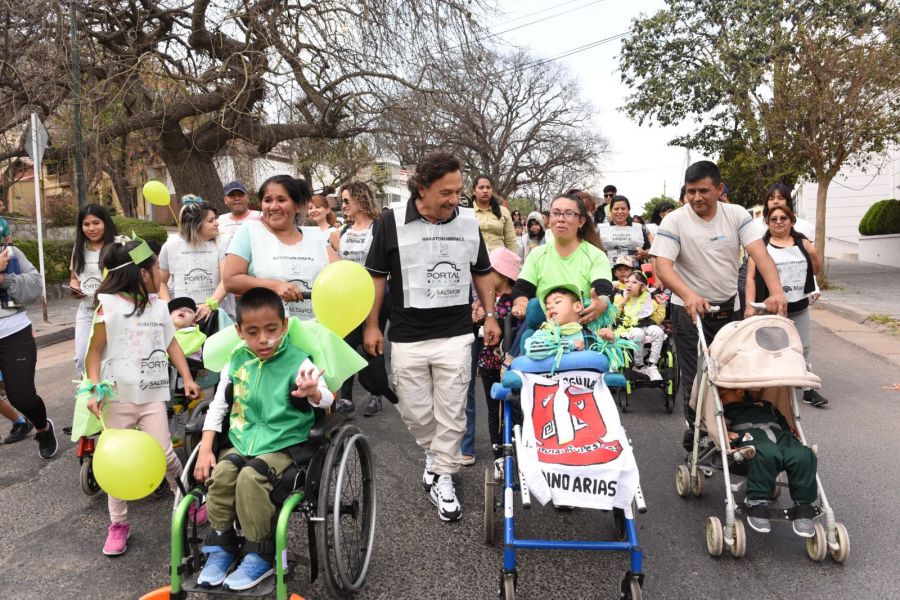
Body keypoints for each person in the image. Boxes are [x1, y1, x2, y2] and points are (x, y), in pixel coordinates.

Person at [363, 151, 499, 522]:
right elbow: (375, 277)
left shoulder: (468, 223)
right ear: (421, 189)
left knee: (453, 410)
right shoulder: (390, 222)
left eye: (458, 191)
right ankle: (436, 456)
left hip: (455, 333)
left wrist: (489, 316)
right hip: (407, 336)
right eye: (446, 193)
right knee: (416, 411)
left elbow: (483, 271)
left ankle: (443, 476)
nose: (455, 200)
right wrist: (372, 324)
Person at [191, 287, 333, 590]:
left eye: (271, 330)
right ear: (239, 331)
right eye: (253, 332)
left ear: (283, 326)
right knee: (225, 473)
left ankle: (260, 553)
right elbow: (218, 406)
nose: (263, 339)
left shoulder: (297, 361)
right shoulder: (236, 362)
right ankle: (222, 545)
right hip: (243, 440)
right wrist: (205, 449)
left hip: (285, 443)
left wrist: (314, 393)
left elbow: (327, 397)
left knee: (251, 478)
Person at [650, 160, 788, 446]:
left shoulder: (736, 215)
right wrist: (688, 294)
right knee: (695, 377)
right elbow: (663, 266)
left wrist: (776, 291)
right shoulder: (674, 220)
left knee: (730, 374)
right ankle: (696, 434)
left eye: (703, 191)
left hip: (729, 309)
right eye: (691, 192)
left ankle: (731, 428)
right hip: (688, 310)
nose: (697, 198)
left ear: (719, 189)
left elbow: (760, 255)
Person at [83, 238, 200, 556]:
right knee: (114, 462)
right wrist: (93, 389)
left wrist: (187, 377)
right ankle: (118, 523)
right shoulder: (107, 306)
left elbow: (171, 343)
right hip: (117, 398)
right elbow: (93, 353)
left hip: (151, 396)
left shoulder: (160, 306)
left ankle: (187, 499)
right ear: (140, 273)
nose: (160, 273)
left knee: (164, 453)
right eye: (155, 267)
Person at [462, 174, 518, 464]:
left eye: (488, 187)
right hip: (468, 276)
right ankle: (467, 444)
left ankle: (510, 442)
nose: (484, 190)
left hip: (497, 274)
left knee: (503, 397)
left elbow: (511, 244)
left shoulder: (503, 213)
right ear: (474, 191)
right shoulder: (465, 213)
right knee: (465, 380)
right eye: (479, 187)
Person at [223, 175, 336, 321]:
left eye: (281, 200)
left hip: (312, 330)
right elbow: (230, 280)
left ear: (297, 206)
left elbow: (343, 275)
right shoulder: (250, 232)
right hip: (266, 332)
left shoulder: (314, 237)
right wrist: (275, 286)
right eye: (268, 200)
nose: (274, 206)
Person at [745, 205, 826, 407]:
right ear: (767, 223)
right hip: (769, 308)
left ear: (791, 221)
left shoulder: (802, 243)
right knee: (769, 350)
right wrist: (749, 306)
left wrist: (813, 253)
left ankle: (808, 390)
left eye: (783, 218)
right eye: (774, 219)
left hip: (798, 305)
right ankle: (767, 392)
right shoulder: (761, 247)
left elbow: (815, 270)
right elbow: (751, 278)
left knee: (803, 347)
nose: (779, 222)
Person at [329, 181, 397, 416]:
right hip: (349, 298)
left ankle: (376, 394)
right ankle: (345, 397)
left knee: (372, 346)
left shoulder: (379, 227)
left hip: (375, 297)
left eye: (346, 200)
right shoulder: (344, 231)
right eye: (341, 201)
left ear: (360, 199)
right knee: (345, 345)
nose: (343, 206)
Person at [719, 387, 817, 537]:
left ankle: (803, 505)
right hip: (750, 436)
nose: (720, 398)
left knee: (802, 455)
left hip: (780, 434)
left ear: (740, 392)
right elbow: (719, 425)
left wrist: (790, 431)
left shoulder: (765, 405)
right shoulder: (725, 410)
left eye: (723, 395)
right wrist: (727, 433)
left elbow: (782, 421)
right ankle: (756, 501)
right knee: (765, 454)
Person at [510, 193, 613, 324]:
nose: (560, 219)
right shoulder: (537, 254)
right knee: (534, 307)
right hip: (544, 328)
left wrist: (601, 302)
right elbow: (522, 289)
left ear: (581, 221)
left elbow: (602, 289)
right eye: (556, 213)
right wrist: (521, 305)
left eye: (569, 213)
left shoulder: (596, 256)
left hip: (584, 326)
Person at [0, 241, 56, 458]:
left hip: (14, 332)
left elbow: (35, 286)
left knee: (22, 397)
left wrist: (5, 279)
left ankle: (42, 427)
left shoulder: (10, 253)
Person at [473, 247, 520, 480]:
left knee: (517, 409)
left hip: (510, 365)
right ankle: (499, 457)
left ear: (503, 274)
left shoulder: (515, 301)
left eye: (490, 270)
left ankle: (519, 452)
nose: (486, 274)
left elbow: (512, 327)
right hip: (488, 363)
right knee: (494, 410)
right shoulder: (483, 300)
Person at [158, 200, 227, 329]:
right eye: (211, 221)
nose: (217, 223)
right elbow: (161, 281)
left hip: (213, 316)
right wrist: (170, 308)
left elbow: (226, 280)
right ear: (196, 225)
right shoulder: (171, 245)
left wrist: (210, 305)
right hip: (181, 320)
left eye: (215, 219)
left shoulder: (222, 243)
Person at [70, 204, 118, 376]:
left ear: (105, 222)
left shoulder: (121, 244)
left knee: (113, 356)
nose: (91, 228)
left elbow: (147, 265)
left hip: (115, 311)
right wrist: (75, 289)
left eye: (96, 223)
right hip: (87, 310)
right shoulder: (78, 249)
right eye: (86, 224)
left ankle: (114, 397)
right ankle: (88, 394)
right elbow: (75, 278)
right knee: (82, 356)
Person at [614, 272, 665, 381]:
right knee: (638, 333)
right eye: (627, 282)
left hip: (646, 324)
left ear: (643, 287)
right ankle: (639, 365)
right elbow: (613, 316)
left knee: (658, 332)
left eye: (634, 282)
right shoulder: (620, 296)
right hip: (628, 328)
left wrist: (661, 304)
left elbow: (658, 319)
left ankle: (652, 365)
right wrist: (624, 301)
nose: (629, 285)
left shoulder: (648, 298)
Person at [598, 195, 651, 265]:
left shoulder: (638, 228)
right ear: (611, 211)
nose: (620, 212)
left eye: (623, 209)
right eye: (616, 209)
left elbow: (650, 251)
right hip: (607, 271)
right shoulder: (601, 229)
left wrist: (642, 253)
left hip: (633, 271)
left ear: (628, 211)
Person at [217, 181, 262, 246]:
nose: (237, 198)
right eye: (232, 195)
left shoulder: (261, 217)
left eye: (240, 194)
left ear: (247, 197)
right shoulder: (218, 221)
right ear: (225, 200)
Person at [169, 297, 207, 362]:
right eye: (178, 309)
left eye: (189, 311)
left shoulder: (195, 336)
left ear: (194, 322)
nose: (183, 310)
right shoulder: (159, 332)